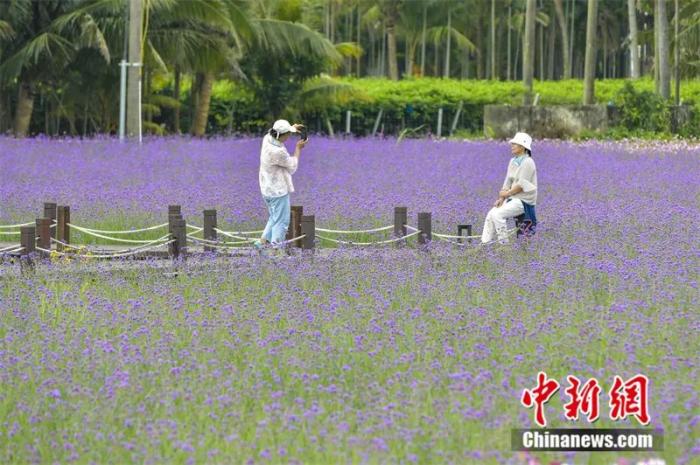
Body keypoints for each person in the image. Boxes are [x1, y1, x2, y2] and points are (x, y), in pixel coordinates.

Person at [255, 119, 307, 249]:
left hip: (266, 189)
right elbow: (292, 167)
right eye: (288, 134)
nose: (289, 136)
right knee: (282, 222)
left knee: (274, 217)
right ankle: (276, 251)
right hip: (278, 191)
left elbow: (279, 132)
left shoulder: (267, 138)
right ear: (281, 135)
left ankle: (261, 243)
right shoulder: (278, 152)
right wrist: (298, 148)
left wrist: (292, 128)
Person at [481, 132, 538, 244]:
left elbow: (521, 186)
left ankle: (504, 246)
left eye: (514, 144)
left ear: (522, 147)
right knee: (491, 214)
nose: (512, 146)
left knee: (498, 215)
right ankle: (484, 243)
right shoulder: (513, 161)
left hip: (523, 201)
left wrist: (506, 194)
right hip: (512, 198)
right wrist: (501, 199)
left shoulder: (528, 162)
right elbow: (507, 182)